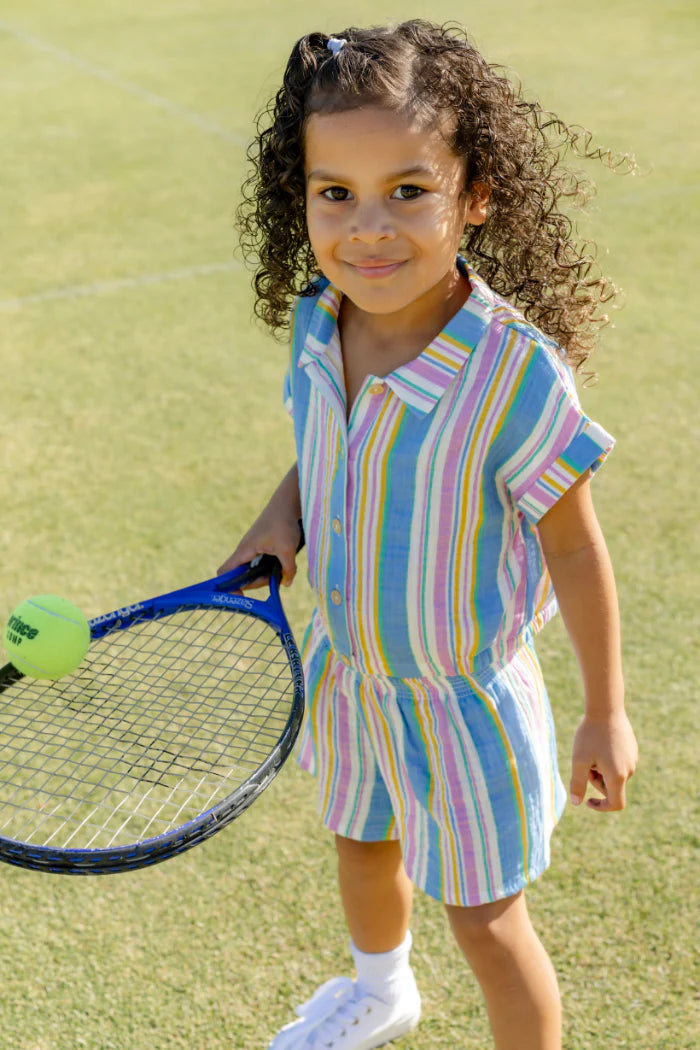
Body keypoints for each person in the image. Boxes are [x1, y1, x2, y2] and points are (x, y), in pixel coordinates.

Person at [219, 20, 638, 1050]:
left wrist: (605, 713)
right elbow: (326, 457)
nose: (369, 227)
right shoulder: (323, 322)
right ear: (302, 199)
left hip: (465, 704)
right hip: (355, 674)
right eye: (335, 193)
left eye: (408, 190)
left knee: (486, 922)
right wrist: (276, 528)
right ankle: (379, 989)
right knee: (359, 839)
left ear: (475, 195)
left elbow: (574, 546)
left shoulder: (513, 372)